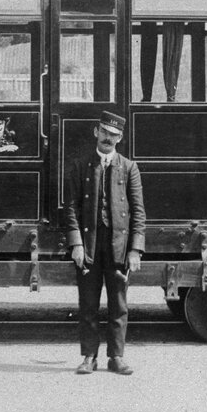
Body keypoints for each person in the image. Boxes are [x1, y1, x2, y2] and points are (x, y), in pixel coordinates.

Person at [61, 110, 146, 375]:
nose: (109, 138)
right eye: (105, 132)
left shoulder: (129, 168)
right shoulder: (79, 165)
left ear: (120, 138)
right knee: (88, 303)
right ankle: (89, 356)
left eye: (114, 135)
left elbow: (138, 212)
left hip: (118, 245)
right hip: (89, 243)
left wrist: (135, 249)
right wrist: (76, 244)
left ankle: (116, 357)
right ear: (96, 132)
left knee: (118, 303)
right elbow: (71, 209)